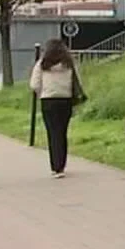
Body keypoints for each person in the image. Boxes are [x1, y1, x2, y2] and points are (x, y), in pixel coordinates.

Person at [29, 39, 83, 178]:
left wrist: (42, 92)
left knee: (52, 133)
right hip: (65, 99)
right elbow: (78, 81)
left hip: (48, 100)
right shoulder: (69, 64)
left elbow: (34, 84)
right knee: (62, 132)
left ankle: (55, 166)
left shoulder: (42, 64)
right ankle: (62, 164)